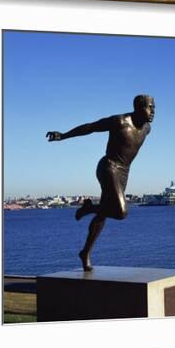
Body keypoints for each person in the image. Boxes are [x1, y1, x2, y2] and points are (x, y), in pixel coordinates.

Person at [46, 94, 155, 271]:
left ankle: (85, 252)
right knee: (120, 212)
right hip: (109, 167)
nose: (153, 112)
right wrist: (63, 135)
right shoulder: (120, 121)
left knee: (104, 214)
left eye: (154, 108)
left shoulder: (147, 129)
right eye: (150, 107)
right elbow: (91, 127)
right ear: (138, 108)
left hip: (124, 172)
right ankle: (89, 208)